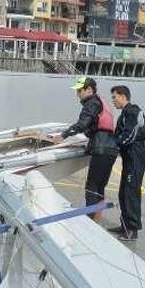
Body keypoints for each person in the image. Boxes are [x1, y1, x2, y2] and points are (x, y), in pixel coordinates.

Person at [49, 77, 118, 221]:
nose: (78, 94)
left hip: (101, 148)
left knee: (91, 186)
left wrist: (63, 135)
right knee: (99, 187)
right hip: (110, 148)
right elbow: (92, 127)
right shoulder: (100, 102)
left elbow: (82, 124)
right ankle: (96, 217)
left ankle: (89, 221)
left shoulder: (92, 103)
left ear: (89, 90)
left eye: (80, 90)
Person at [108, 85, 145, 241]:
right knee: (123, 192)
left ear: (123, 96)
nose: (113, 101)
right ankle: (125, 225)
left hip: (136, 155)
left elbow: (129, 135)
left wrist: (114, 144)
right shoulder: (125, 113)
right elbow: (119, 134)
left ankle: (132, 230)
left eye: (115, 97)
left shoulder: (132, 112)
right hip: (130, 155)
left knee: (131, 192)